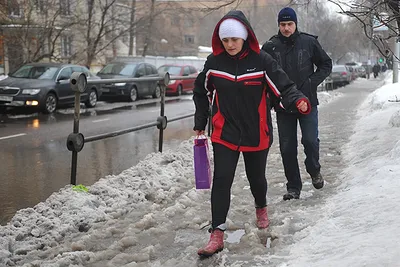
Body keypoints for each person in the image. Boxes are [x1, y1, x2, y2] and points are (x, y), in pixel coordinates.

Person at [193, 10, 311, 257]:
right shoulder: (214, 63)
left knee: (256, 178)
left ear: (245, 37)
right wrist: (200, 122)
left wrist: (298, 99)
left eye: (234, 39)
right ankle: (217, 233)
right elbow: (200, 91)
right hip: (224, 131)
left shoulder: (261, 60)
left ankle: (261, 207)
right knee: (222, 179)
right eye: (225, 40)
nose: (230, 45)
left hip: (256, 132)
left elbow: (283, 86)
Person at [262, 7, 332, 201]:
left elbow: (326, 64)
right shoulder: (270, 47)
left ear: (295, 24)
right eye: (282, 25)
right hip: (283, 105)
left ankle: (314, 169)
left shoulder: (309, 42)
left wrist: (311, 83)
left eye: (289, 24)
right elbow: (263, 74)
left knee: (310, 140)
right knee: (287, 148)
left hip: (307, 100)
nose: (286, 28)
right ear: (279, 25)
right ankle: (293, 187)